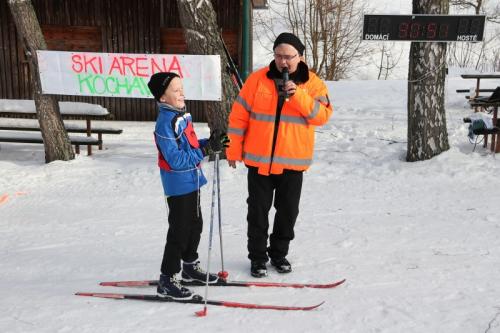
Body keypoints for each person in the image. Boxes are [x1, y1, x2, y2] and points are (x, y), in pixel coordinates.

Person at [226, 32, 333, 278]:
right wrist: (232, 148)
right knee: (257, 212)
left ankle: (279, 254)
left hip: (292, 164)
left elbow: (322, 116)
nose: (283, 61)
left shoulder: (313, 83)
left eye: (288, 56)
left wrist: (299, 96)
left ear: (300, 56)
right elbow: (238, 117)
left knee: (287, 213)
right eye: (278, 56)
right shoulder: (257, 80)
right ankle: (257, 258)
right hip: (259, 162)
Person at [148, 72, 227, 299]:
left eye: (182, 88)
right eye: (175, 90)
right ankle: (167, 278)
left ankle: (190, 267)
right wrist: (205, 150)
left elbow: (190, 147)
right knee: (179, 231)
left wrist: (212, 141)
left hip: (192, 180)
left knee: (195, 224)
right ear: (162, 98)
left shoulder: (181, 116)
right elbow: (175, 160)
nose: (181, 93)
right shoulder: (165, 124)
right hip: (178, 184)